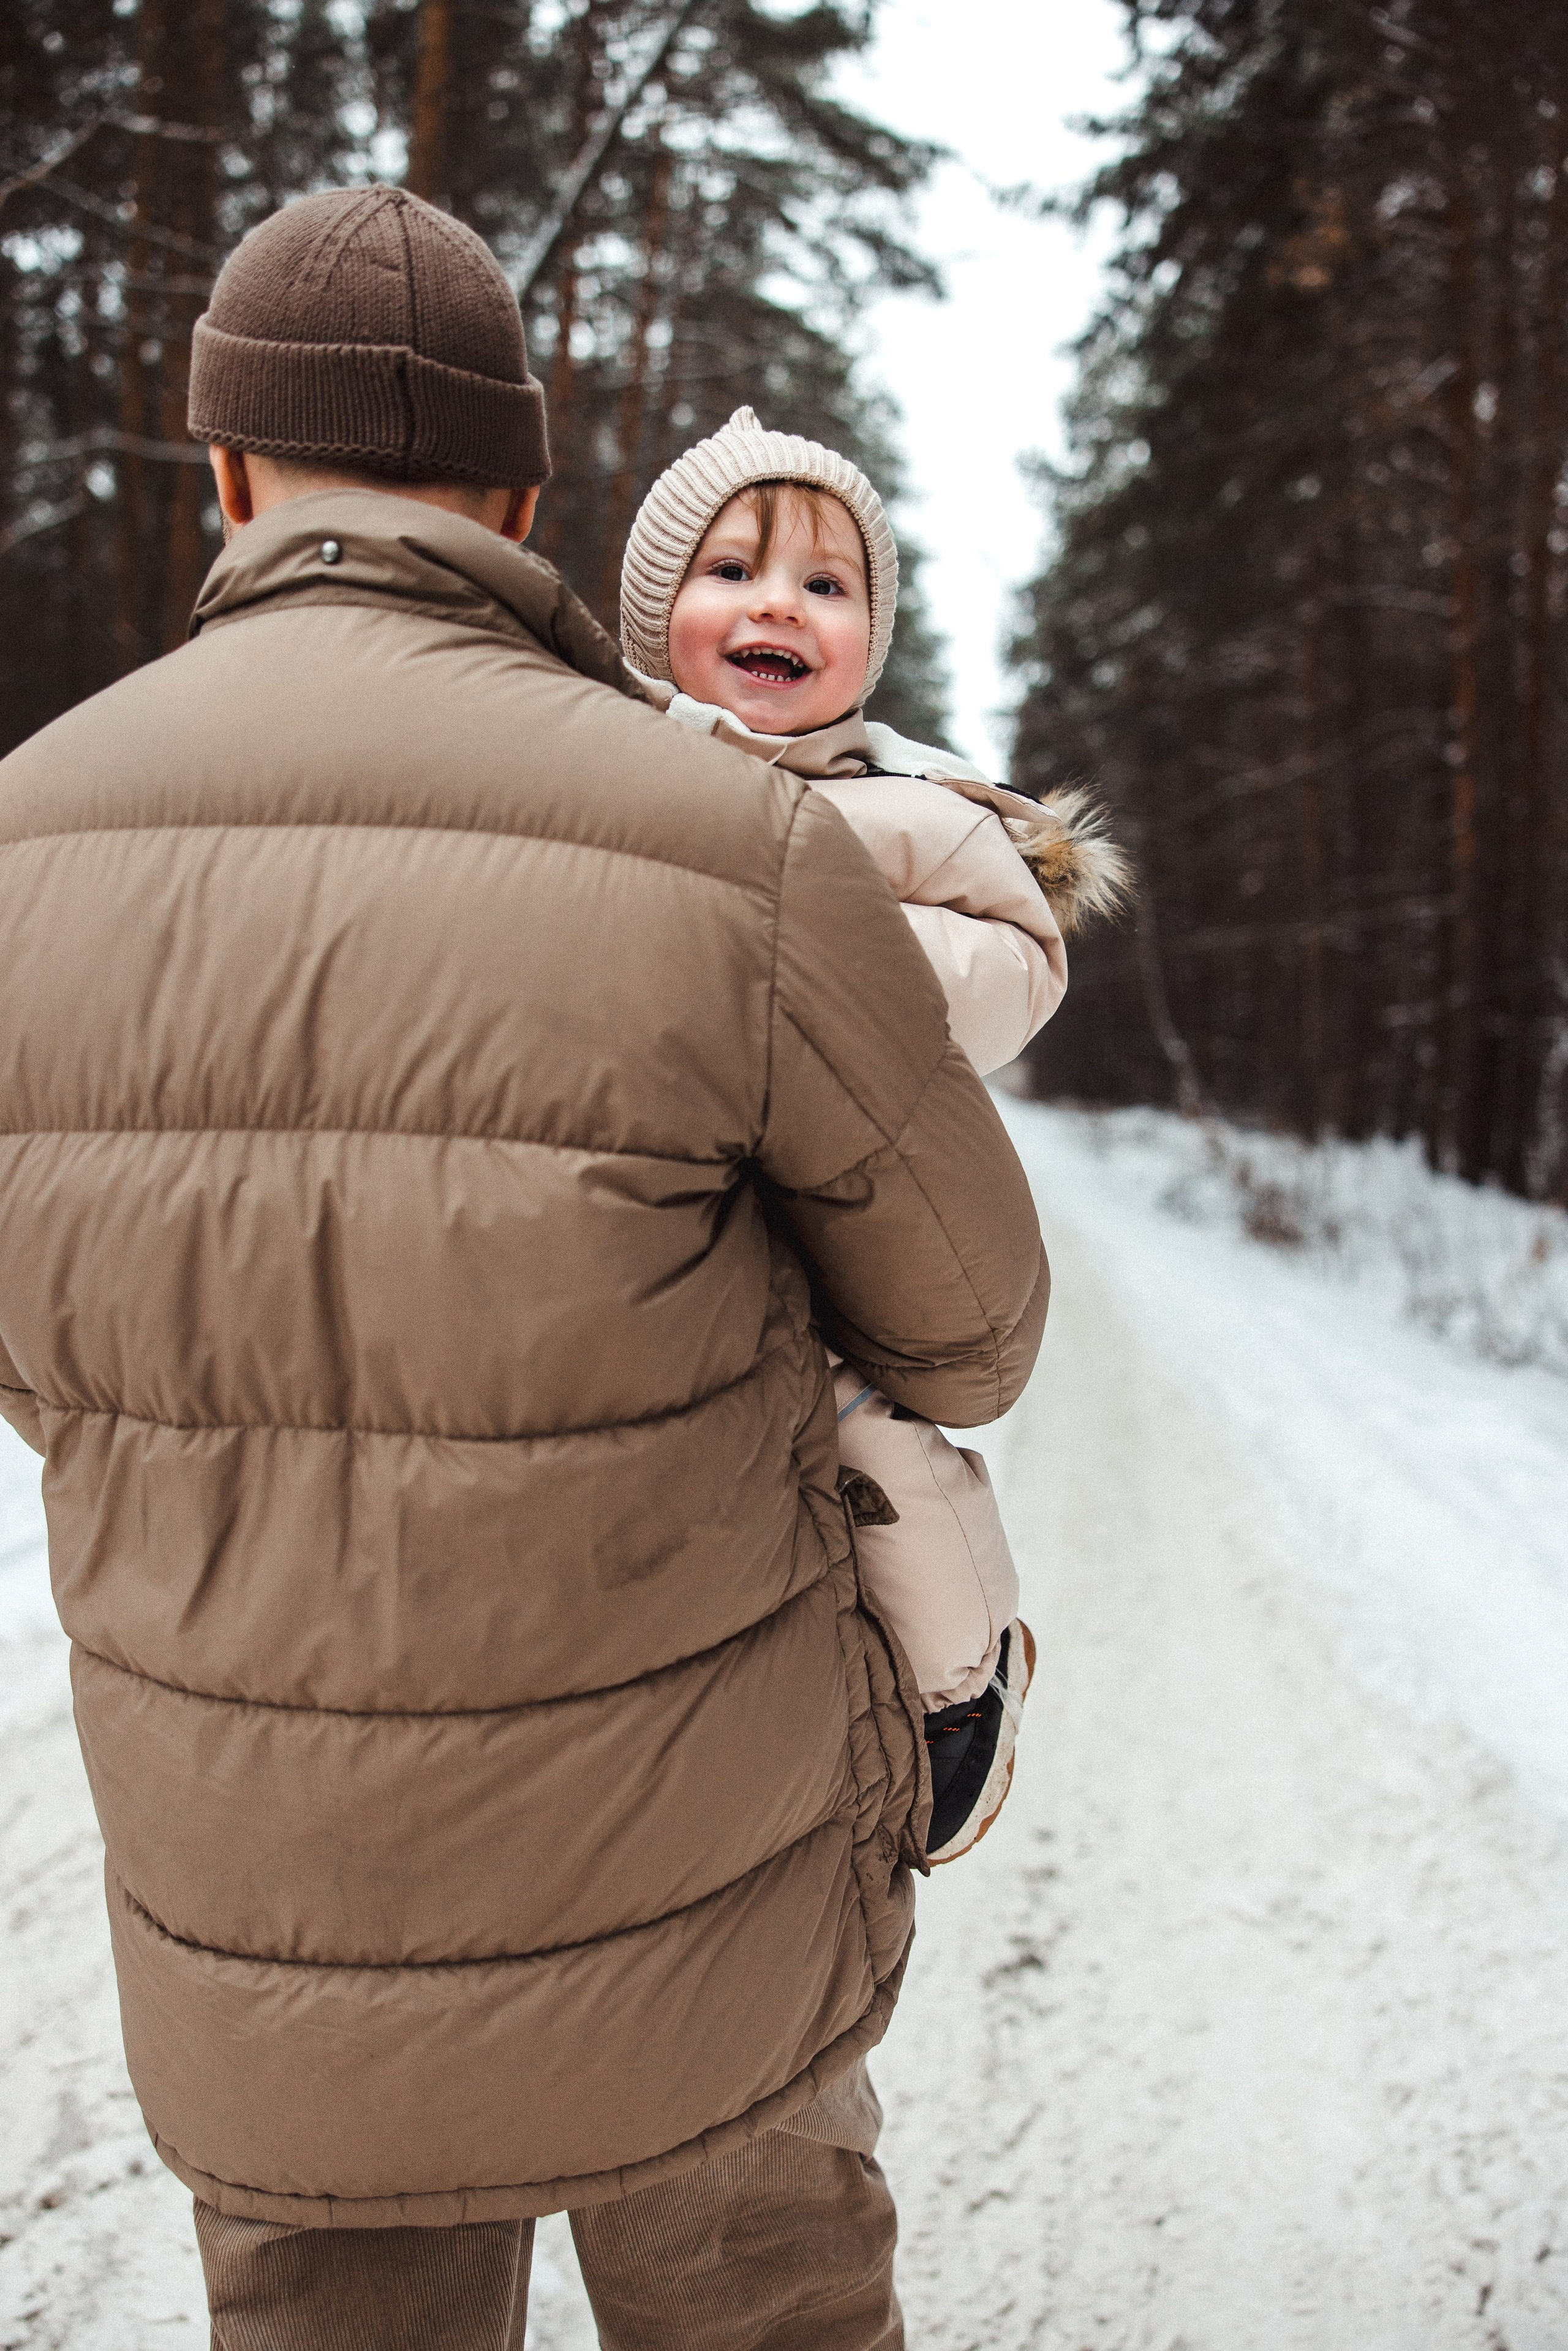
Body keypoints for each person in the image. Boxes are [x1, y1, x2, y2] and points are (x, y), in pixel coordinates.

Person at [0, 186, 1048, 2349]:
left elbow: (47, 1357)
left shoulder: (22, 842)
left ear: (223, 469)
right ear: (525, 487)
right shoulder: (733, 845)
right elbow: (974, 1320)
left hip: (263, 1906)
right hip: (707, 1871)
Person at [619, 410, 1128, 1864]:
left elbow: (1013, 961)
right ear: (654, 616)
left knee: (869, 1448)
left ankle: (959, 1688)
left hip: (827, 1203)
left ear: (865, 640)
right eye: (730, 570)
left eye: (826, 586)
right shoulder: (584, 780)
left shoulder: (903, 809)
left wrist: (793, 947)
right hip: (650, 1199)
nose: (779, 603)